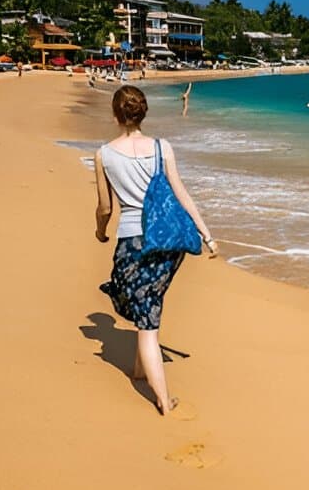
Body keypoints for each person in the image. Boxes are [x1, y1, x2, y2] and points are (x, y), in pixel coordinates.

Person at [93, 85, 217, 416]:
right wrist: (207, 235)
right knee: (150, 302)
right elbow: (182, 195)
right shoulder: (162, 148)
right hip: (167, 244)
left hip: (133, 241)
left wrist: (100, 231)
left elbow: (105, 207)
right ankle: (138, 369)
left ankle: (162, 398)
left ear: (115, 115)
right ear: (142, 112)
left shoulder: (104, 154)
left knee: (147, 322)